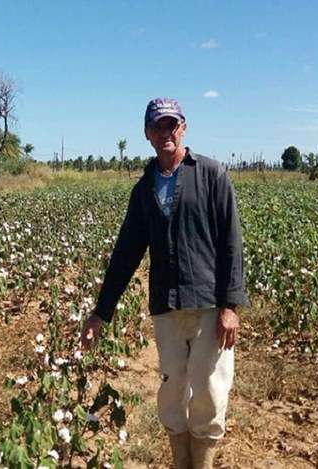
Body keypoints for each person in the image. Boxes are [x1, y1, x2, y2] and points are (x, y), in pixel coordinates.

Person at [81, 97, 250, 469]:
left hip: (208, 305)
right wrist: (100, 313)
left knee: (209, 390)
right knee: (173, 389)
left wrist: (230, 306)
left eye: (171, 125)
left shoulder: (211, 174)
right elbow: (126, 254)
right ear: (147, 134)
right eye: (157, 127)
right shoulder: (144, 189)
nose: (165, 133)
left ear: (183, 128)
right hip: (166, 307)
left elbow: (231, 241)